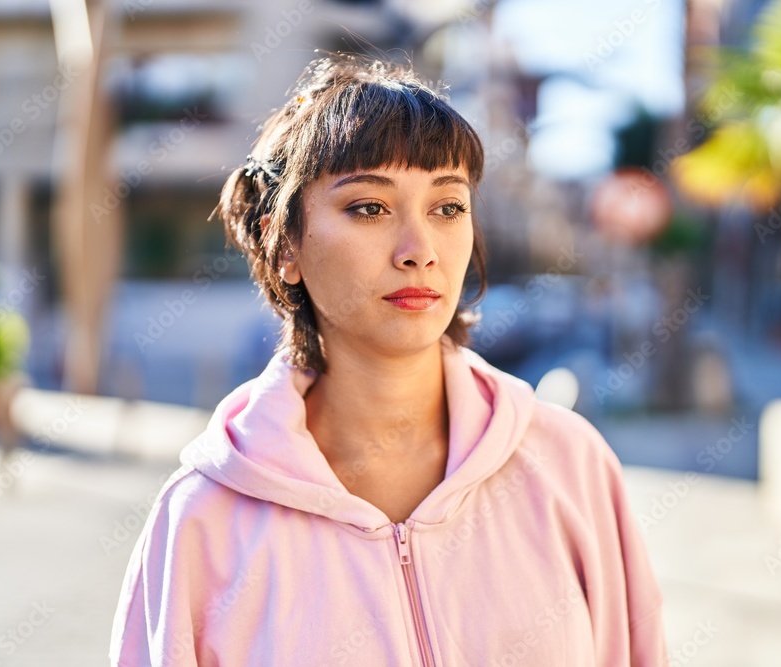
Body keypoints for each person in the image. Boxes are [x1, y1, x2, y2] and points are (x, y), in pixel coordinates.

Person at [109, 52, 669, 666]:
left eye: (447, 207)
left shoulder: (569, 463)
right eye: (369, 208)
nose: (419, 249)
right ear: (284, 242)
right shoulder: (201, 520)